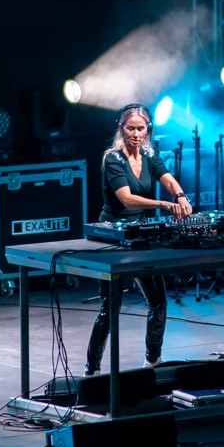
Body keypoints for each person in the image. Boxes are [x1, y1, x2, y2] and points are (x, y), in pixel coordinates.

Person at [85, 103, 193, 376]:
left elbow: (167, 178)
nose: (135, 134)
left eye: (140, 129)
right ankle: (91, 370)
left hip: (140, 233)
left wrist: (180, 195)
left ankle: (152, 361)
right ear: (121, 128)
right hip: (112, 235)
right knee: (110, 309)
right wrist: (164, 204)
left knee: (158, 301)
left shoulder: (149, 153)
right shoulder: (113, 158)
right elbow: (127, 199)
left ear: (148, 130)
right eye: (130, 128)